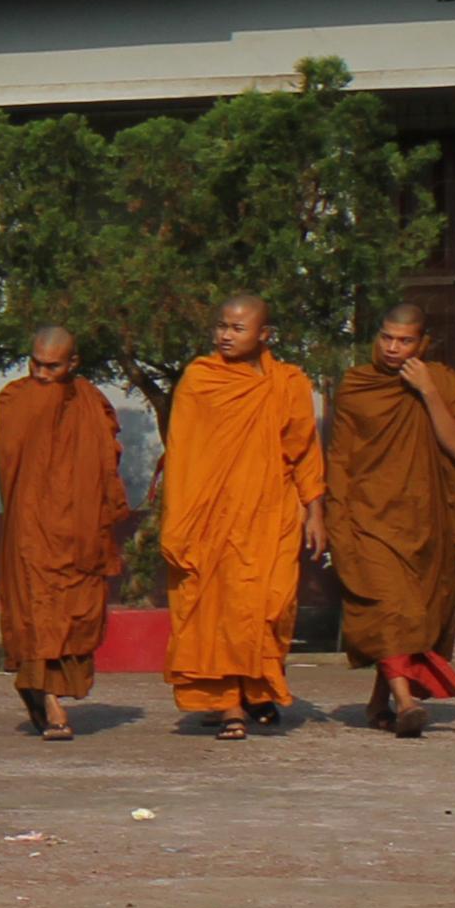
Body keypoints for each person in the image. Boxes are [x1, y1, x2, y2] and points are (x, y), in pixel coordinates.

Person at [156, 293, 322, 741]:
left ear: (265, 335)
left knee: (272, 604)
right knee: (219, 609)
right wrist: (178, 520)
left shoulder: (288, 383)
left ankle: (256, 686)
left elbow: (304, 450)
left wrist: (315, 511)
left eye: (237, 328)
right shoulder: (200, 379)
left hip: (272, 514)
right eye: (221, 327)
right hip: (212, 516)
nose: (225, 336)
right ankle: (229, 704)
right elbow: (183, 452)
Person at [329, 302, 455, 737]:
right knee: (390, 606)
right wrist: (331, 515)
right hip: (369, 517)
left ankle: (377, 701)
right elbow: (340, 456)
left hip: (427, 519)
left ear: (423, 343)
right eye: (386, 337)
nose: (392, 348)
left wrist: (428, 392)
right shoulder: (355, 386)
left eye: (404, 341)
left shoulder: (439, 380)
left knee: (412, 616)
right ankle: (405, 704)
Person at [0, 326, 129, 741]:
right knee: (38, 613)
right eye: (35, 363)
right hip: (33, 528)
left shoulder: (91, 402)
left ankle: (43, 691)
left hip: (81, 532)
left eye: (52, 366)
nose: (41, 373)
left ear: (73, 363)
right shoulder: (16, 399)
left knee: (75, 615)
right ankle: (49, 701)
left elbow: (106, 460)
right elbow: (10, 459)